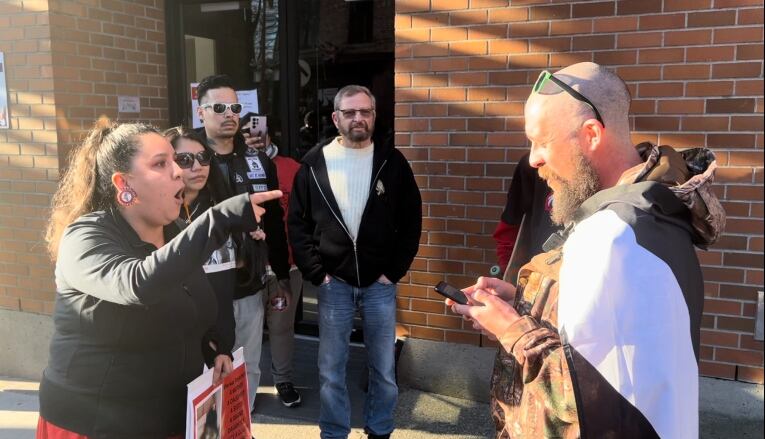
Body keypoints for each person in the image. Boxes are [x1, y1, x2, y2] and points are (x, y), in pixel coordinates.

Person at [447, 62, 726, 438]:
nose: (533, 159)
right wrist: (522, 300)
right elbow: (614, 344)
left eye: (542, 141)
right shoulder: (647, 212)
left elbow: (583, 401)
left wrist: (510, 328)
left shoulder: (614, 236)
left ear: (592, 134)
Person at [38, 121, 281, 438]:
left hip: (171, 417)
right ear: (123, 183)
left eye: (175, 161)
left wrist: (213, 348)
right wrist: (220, 219)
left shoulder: (175, 232)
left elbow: (193, 308)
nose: (178, 171)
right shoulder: (85, 237)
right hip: (94, 423)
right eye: (160, 164)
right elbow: (137, 284)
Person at [288, 85, 422, 439]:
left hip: (379, 285)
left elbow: (412, 221)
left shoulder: (393, 163)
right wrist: (317, 272)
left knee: (383, 369)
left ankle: (379, 429)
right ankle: (334, 433)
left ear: (374, 116)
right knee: (331, 369)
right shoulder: (313, 165)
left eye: (365, 111)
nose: (358, 118)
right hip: (335, 285)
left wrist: (393, 271)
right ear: (336, 118)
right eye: (350, 112)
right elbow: (298, 224)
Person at [195, 74, 292, 413]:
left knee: (248, 364)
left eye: (235, 107)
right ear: (201, 110)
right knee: (208, 370)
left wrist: (279, 274)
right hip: (202, 288)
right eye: (219, 107)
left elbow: (275, 221)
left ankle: (241, 424)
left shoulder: (259, 160)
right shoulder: (185, 157)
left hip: (249, 283)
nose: (229, 114)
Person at [165, 126, 238, 368]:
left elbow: (223, 286)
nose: (197, 167)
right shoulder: (156, 217)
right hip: (171, 344)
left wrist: (222, 343)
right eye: (185, 160)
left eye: (203, 157)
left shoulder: (219, 211)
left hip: (217, 342)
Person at [244, 125, 304, 408]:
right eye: (246, 132)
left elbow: (306, 215)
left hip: (287, 266)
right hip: (246, 270)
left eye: (258, 129)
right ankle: (244, 389)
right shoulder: (230, 166)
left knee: (281, 327)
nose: (254, 136)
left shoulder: (292, 167)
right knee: (247, 332)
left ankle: (283, 380)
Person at [492, 152, 559, 281]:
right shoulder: (532, 165)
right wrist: (508, 272)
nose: (533, 159)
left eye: (545, 141)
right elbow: (510, 226)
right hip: (536, 280)